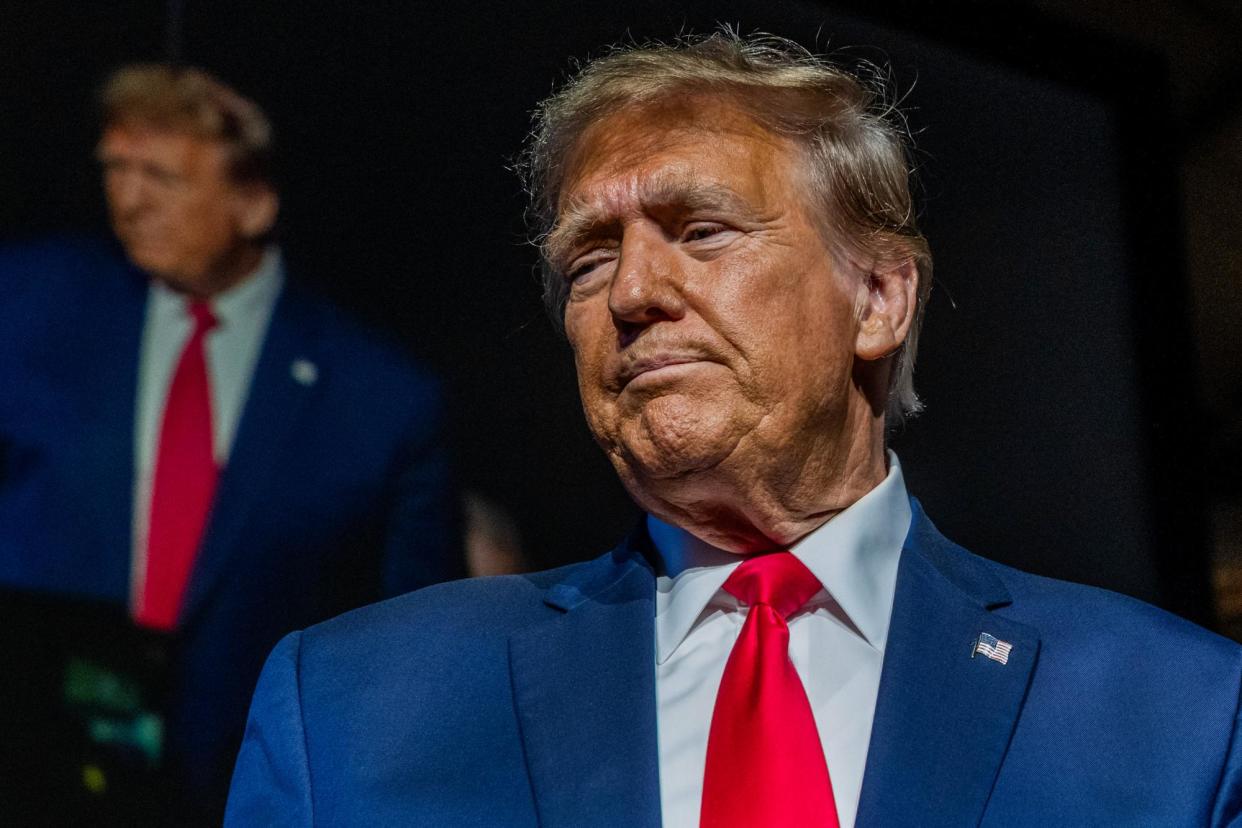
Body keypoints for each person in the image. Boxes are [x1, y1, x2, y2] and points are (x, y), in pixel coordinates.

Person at [225, 32, 1242, 826]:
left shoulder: (1178, 713)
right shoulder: (353, 710)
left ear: (880, 297)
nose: (630, 290)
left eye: (701, 231)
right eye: (586, 260)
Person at [0, 64, 463, 812]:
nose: (128, 200)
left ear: (253, 204)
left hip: (253, 784)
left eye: (162, 177)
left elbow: (413, 646)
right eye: (115, 168)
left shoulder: (378, 398)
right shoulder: (29, 304)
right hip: (35, 770)